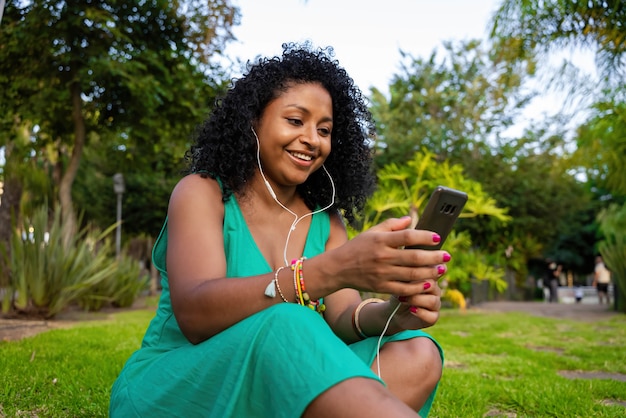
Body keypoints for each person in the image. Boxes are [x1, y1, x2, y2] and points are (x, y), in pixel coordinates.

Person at [109, 43, 449, 418]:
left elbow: (343, 316)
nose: (312, 139)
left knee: (418, 352)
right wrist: (330, 270)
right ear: (252, 121)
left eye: (324, 129)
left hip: (277, 383)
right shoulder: (203, 193)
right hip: (182, 384)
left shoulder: (325, 220)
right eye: (295, 120)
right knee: (290, 320)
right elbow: (195, 314)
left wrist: (392, 315)